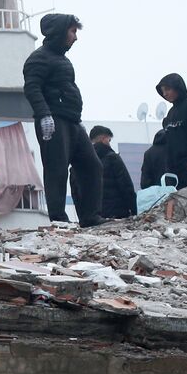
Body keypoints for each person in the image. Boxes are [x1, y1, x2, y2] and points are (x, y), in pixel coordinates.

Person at [23, 14, 102, 226]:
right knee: (56, 169)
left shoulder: (62, 59)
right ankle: (58, 219)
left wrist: (76, 118)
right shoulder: (39, 57)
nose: (75, 37)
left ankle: (90, 216)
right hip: (54, 120)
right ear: (60, 31)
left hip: (72, 121)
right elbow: (32, 88)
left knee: (92, 165)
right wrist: (44, 114)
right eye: (73, 31)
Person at [157, 73, 187, 188]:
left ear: (178, 87)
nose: (165, 93)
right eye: (163, 91)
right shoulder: (171, 113)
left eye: (168, 89)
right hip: (175, 171)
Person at [90, 126, 136, 220]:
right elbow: (126, 185)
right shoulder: (113, 158)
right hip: (118, 213)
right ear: (104, 139)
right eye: (109, 140)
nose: (110, 144)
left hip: (94, 216)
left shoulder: (84, 161)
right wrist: (134, 210)